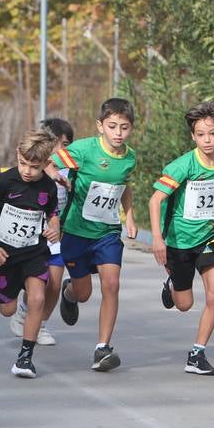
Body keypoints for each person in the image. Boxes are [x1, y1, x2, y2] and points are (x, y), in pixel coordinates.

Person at [150, 100, 214, 377]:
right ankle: (172, 283)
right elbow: (156, 199)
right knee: (184, 305)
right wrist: (158, 238)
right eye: (201, 134)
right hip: (179, 241)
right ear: (193, 136)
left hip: (208, 236)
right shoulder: (183, 166)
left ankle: (197, 354)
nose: (207, 140)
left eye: (213, 133)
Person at [51, 98, 139, 372]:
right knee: (84, 293)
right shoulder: (84, 150)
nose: (118, 133)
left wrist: (130, 216)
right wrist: (57, 177)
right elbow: (46, 162)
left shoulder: (130, 157)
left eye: (124, 128)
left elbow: (123, 186)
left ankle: (103, 348)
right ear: (100, 126)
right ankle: (69, 292)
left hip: (107, 232)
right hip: (76, 231)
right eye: (112, 126)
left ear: (131, 129)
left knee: (111, 284)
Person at [0, 129, 61, 378]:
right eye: (23, 163)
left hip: (34, 253)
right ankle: (8, 297)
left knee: (37, 299)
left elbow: (53, 213)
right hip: (5, 255)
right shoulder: (5, 182)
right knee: (8, 310)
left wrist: (54, 226)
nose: (27, 171)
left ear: (46, 164)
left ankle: (25, 358)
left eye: (34, 167)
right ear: (17, 155)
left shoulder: (48, 187)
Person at [9, 117, 73, 346]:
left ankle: (40, 322)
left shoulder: (72, 168)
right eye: (56, 143)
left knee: (54, 283)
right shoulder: (38, 165)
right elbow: (46, 165)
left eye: (66, 144)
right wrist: (53, 174)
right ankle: (23, 311)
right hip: (31, 234)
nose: (61, 149)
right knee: (38, 281)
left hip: (56, 234)